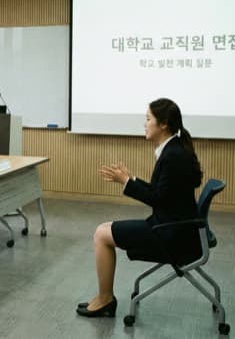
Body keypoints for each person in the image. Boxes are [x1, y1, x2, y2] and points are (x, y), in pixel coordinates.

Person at [77, 98, 203, 318]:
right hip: (173, 227)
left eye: (148, 119)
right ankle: (105, 297)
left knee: (101, 234)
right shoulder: (174, 150)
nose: (144, 124)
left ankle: (105, 299)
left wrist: (126, 182)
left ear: (163, 124)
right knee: (104, 228)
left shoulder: (172, 156)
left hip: (169, 234)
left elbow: (157, 198)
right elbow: (161, 192)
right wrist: (130, 179)